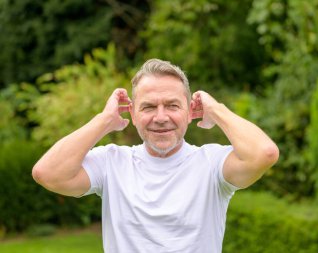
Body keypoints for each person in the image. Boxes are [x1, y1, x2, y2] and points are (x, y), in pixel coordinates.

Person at [32, 58, 279, 253]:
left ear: (191, 111)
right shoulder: (112, 162)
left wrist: (216, 109)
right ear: (132, 113)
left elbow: (264, 153)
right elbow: (48, 173)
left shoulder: (212, 164)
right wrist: (104, 120)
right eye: (149, 107)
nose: (161, 117)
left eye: (172, 105)